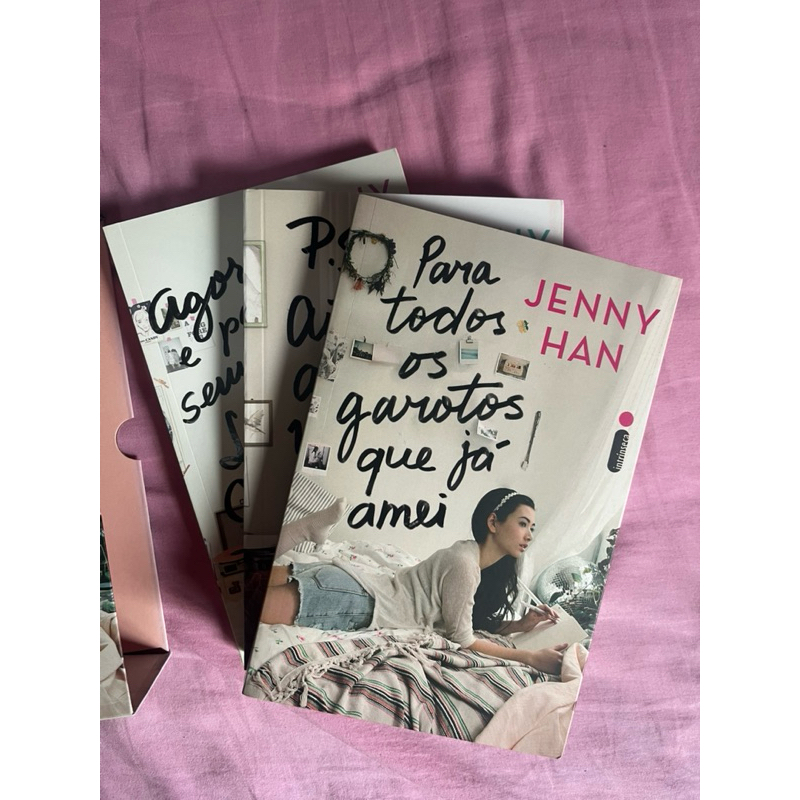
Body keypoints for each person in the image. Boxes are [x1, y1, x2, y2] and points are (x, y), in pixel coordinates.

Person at [260, 487, 568, 674]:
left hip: (347, 580)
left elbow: (466, 620)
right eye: (523, 524)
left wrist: (519, 625)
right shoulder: (465, 566)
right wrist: (529, 656)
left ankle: (307, 531)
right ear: (493, 522)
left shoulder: (465, 552)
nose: (529, 535)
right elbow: (464, 639)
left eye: (532, 527)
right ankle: (303, 530)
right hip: (354, 600)